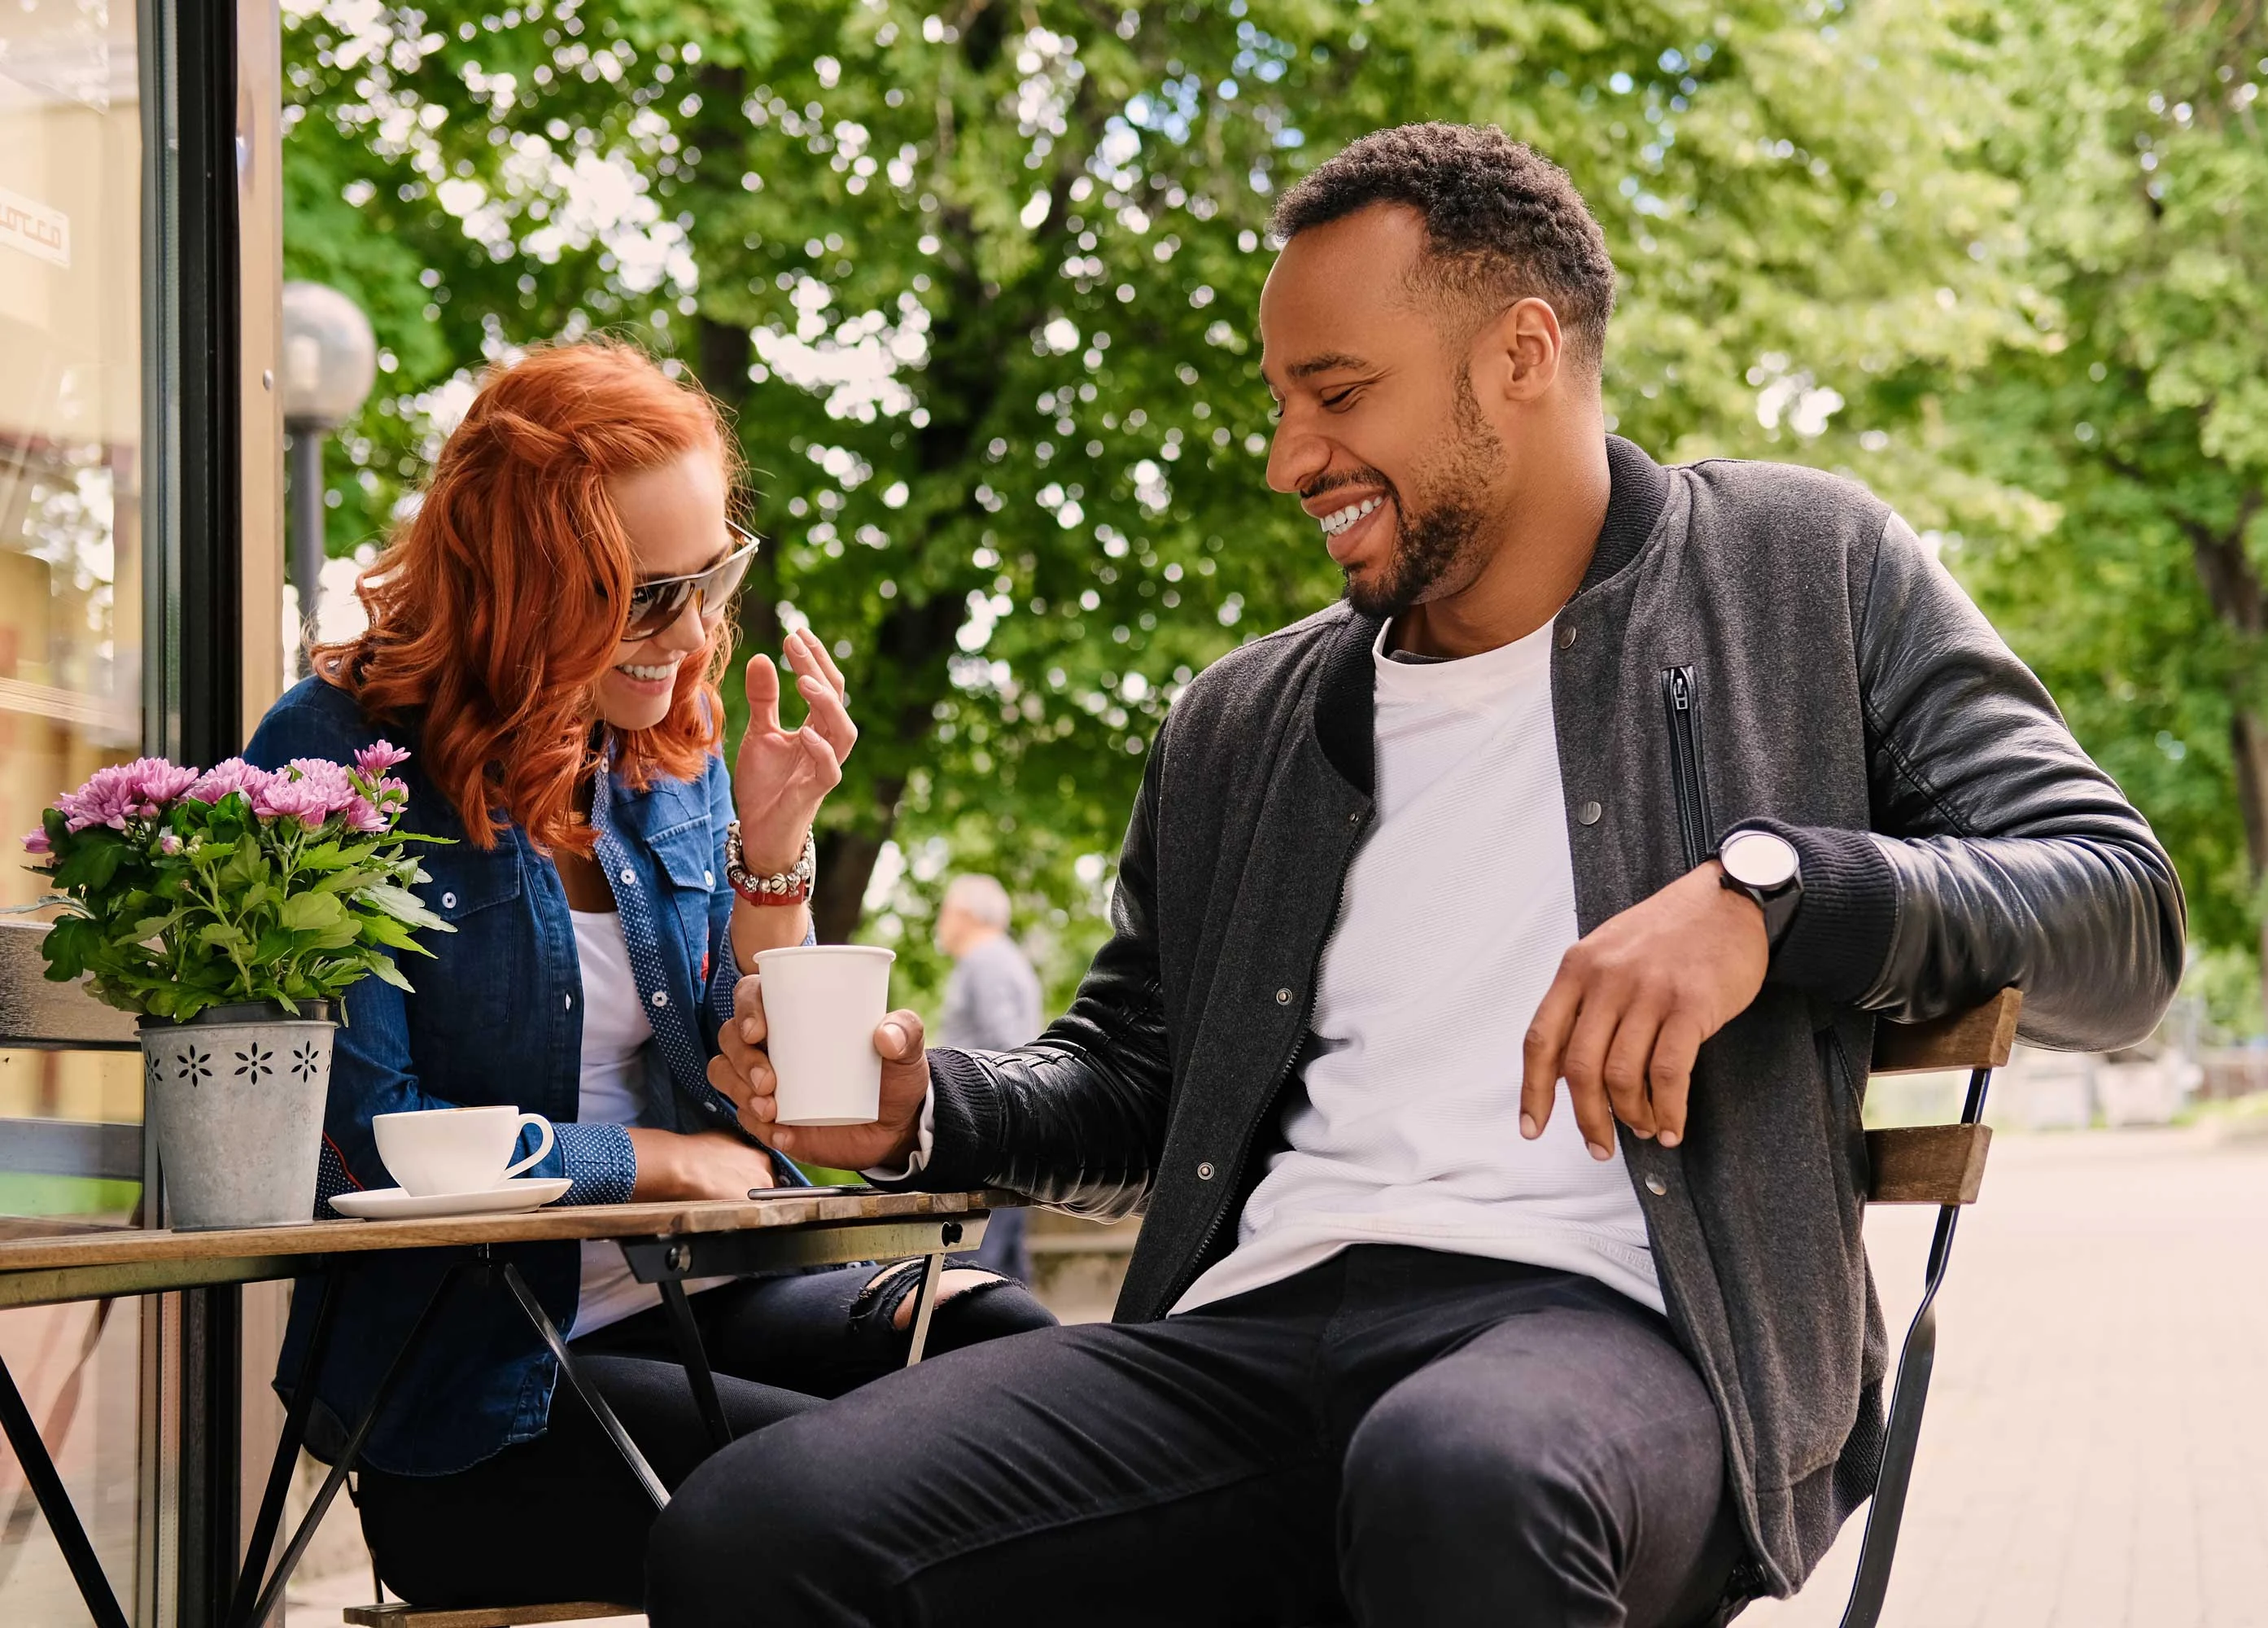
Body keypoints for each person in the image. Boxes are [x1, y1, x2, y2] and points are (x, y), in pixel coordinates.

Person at [649, 125, 2186, 1628]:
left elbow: (2121, 911)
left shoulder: (1803, 569)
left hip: (1627, 1336)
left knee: (1456, 1481)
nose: (1287, 456)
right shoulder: (1242, 720)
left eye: (1337, 393)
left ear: (1522, 353)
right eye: (1280, 400)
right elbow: (1136, 1085)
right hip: (1254, 1331)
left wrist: (1769, 898)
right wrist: (929, 1111)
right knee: (755, 1530)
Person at [243, 339, 1053, 1610]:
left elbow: (773, 1113)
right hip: (472, 1395)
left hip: (697, 1304)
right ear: (521, 579)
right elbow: (358, 1144)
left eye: (706, 581)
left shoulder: (669, 754)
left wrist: (773, 861)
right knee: (873, 1504)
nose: (684, 638)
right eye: (637, 597)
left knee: (1007, 1354)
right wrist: (648, 1165)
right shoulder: (333, 755)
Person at [933, 873, 1044, 1282]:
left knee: (979, 1265)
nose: (941, 923)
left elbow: (1007, 1046)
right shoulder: (1006, 958)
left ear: (965, 914)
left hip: (986, 1133)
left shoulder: (986, 961)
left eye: (945, 911)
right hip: (1006, 1135)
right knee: (1007, 1265)